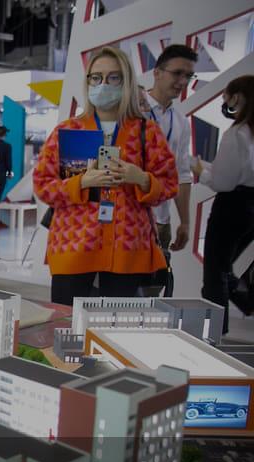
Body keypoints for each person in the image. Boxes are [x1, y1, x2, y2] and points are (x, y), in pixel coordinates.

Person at [34, 46, 178, 306]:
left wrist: (141, 178)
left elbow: (169, 184)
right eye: (96, 77)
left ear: (126, 82)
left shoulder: (146, 132)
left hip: (128, 248)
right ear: (88, 81)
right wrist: (82, 182)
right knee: (65, 321)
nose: (103, 84)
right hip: (74, 245)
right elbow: (43, 185)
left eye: (113, 77)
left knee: (115, 325)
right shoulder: (68, 130)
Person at [193, 75, 254, 334]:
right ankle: (245, 300)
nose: (225, 100)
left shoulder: (236, 134)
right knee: (224, 266)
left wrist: (200, 171)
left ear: (237, 96)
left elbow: (222, 182)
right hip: (250, 208)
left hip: (232, 207)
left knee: (215, 272)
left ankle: (215, 333)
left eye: (226, 95)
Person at [146, 45, 200, 295]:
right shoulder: (132, 108)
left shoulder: (180, 121)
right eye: (177, 73)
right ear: (157, 72)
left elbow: (182, 174)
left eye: (188, 76)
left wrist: (185, 222)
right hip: (130, 216)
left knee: (152, 291)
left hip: (161, 221)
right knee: (118, 291)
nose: (182, 81)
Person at [0, 125, 13, 198]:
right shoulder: (7, 146)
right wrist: (10, 173)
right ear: (5, 135)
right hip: (1, 174)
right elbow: (8, 162)